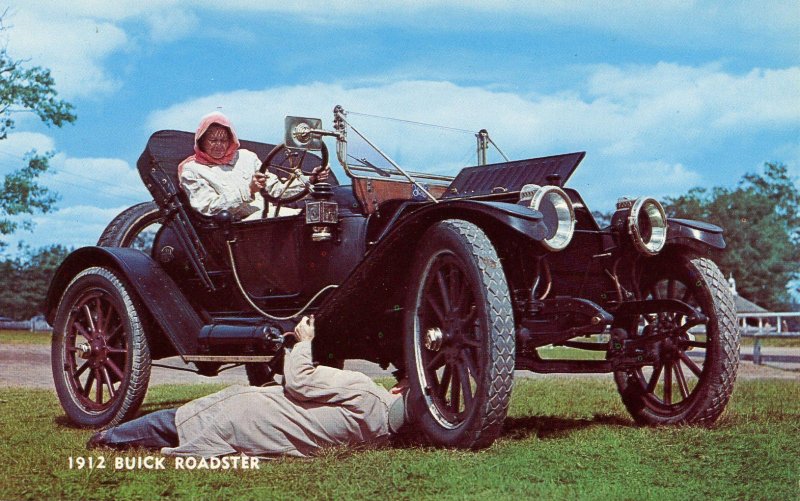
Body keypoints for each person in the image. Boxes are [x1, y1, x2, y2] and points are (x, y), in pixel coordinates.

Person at [87, 316, 409, 458]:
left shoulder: (365, 391)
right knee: (184, 427)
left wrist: (304, 342)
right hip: (264, 441)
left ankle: (107, 438)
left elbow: (298, 382)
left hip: (248, 414)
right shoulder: (384, 436)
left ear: (397, 392)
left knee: (176, 420)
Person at [179, 111, 330, 219]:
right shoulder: (192, 170)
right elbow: (207, 208)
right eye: (213, 140)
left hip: (270, 215)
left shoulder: (247, 157)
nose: (219, 145)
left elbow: (276, 191)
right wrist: (249, 190)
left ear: (231, 139)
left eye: (223, 140)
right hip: (242, 227)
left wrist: (311, 180)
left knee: (317, 217)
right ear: (201, 141)